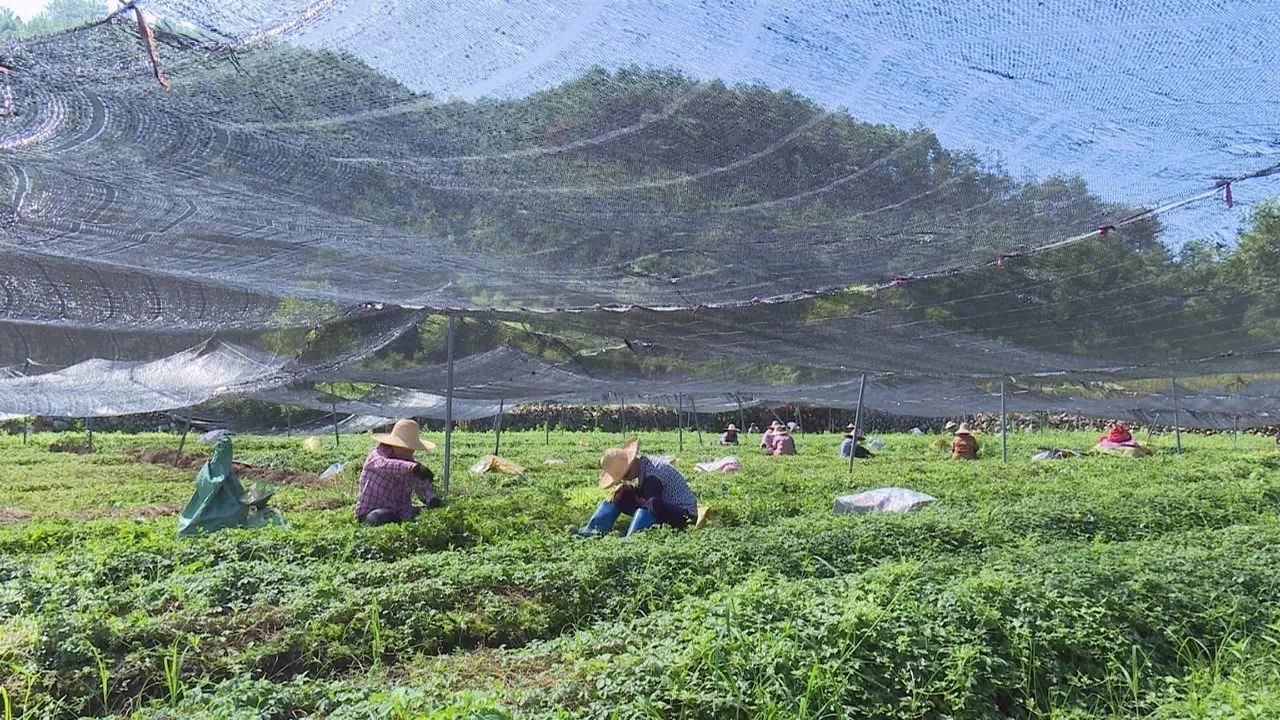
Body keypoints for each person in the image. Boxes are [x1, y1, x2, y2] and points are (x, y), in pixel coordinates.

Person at [576, 438, 697, 537]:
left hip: (685, 516)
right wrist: (622, 493)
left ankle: (632, 539)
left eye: (625, 475)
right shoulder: (645, 466)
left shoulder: (653, 475)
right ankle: (593, 530)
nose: (625, 479)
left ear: (632, 463)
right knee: (622, 494)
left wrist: (634, 495)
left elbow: (651, 504)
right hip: (666, 509)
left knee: (653, 503)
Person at [354, 419, 440, 526]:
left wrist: (432, 499)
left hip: (400, 514)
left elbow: (422, 487)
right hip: (372, 513)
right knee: (382, 516)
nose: (410, 452)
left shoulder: (410, 464)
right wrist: (414, 468)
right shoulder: (377, 456)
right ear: (395, 444)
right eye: (406, 448)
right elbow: (384, 464)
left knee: (422, 515)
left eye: (412, 449)